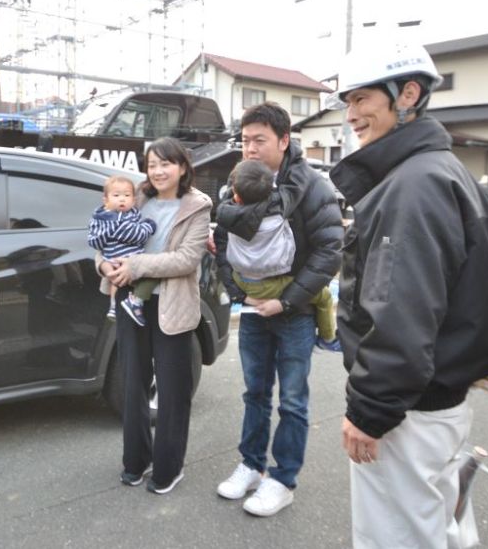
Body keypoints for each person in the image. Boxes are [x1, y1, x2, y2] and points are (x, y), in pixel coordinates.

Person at [328, 41, 488, 549]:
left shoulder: (412, 184)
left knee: (396, 536)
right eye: (348, 101)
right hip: (438, 400)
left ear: (407, 94)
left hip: (408, 411)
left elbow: (400, 311)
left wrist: (370, 410)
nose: (352, 114)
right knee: (442, 525)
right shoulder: (446, 171)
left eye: (362, 98)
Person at [214, 102, 342, 517]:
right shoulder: (236, 184)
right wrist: (240, 294)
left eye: (259, 140)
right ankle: (251, 464)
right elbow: (221, 246)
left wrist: (286, 300)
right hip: (254, 310)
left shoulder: (313, 188)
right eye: (245, 140)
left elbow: (329, 253)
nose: (249, 149)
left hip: (296, 313)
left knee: (292, 400)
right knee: (254, 393)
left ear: (284, 141)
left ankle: (283, 479)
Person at [99, 137, 212, 495]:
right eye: (152, 165)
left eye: (166, 164)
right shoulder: (137, 199)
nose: (159, 171)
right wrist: (104, 265)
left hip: (173, 305)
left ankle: (168, 468)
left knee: (173, 390)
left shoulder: (197, 206)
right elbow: (105, 241)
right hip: (133, 301)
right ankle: (135, 462)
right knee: (132, 384)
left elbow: (186, 259)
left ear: (182, 167)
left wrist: (135, 265)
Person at [215, 159, 340, 350]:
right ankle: (328, 338)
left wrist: (239, 295)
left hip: (243, 283)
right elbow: (292, 190)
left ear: (236, 196)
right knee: (324, 297)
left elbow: (221, 252)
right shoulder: (280, 214)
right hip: (278, 286)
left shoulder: (227, 218)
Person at [87, 175, 158, 323]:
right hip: (118, 258)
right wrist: (149, 226)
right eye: (116, 195)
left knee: (121, 281)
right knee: (148, 277)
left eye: (127, 195)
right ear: (105, 200)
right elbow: (136, 235)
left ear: (133, 200)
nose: (122, 199)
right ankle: (132, 302)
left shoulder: (133, 214)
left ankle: (118, 305)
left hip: (131, 259)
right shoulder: (103, 219)